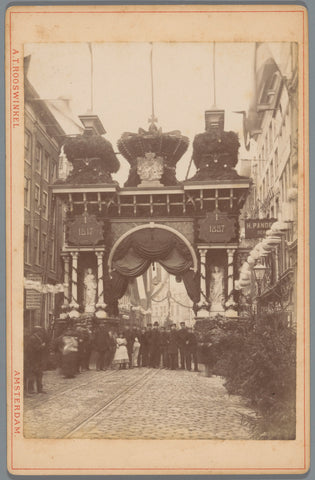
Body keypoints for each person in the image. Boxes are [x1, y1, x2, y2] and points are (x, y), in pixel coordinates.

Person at [24, 326, 48, 394]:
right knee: (33, 374)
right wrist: (42, 346)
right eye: (40, 331)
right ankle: (31, 389)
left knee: (39, 374)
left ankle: (39, 389)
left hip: (38, 359)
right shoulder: (33, 338)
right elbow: (33, 349)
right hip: (33, 359)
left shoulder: (37, 337)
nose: (41, 332)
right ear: (37, 331)